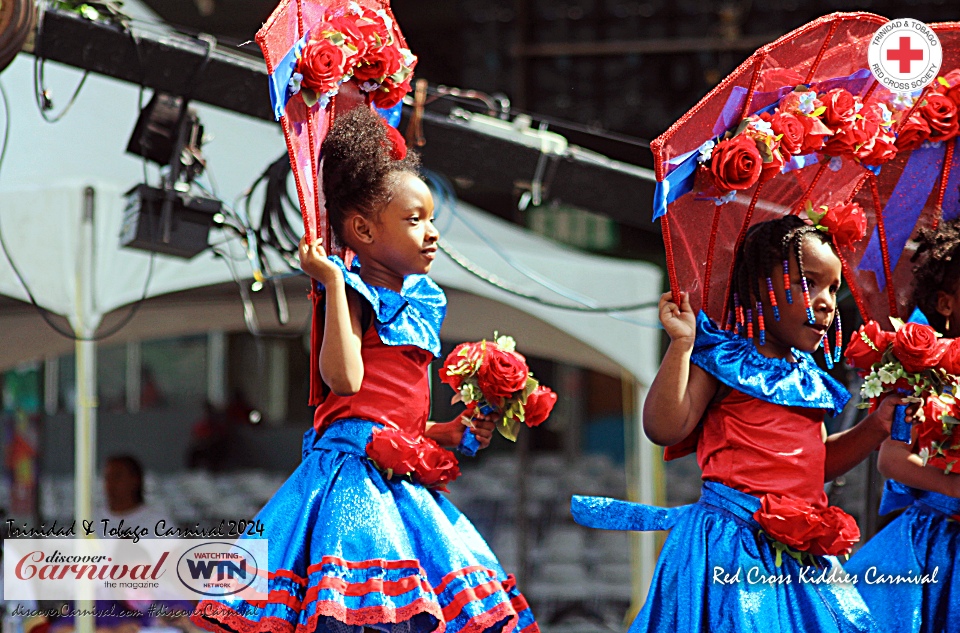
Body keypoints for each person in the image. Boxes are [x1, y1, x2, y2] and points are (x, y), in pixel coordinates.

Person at [191, 106, 537, 633]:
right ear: (362, 230)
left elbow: (403, 421)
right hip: (351, 478)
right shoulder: (348, 293)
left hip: (399, 476)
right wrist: (332, 284)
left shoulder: (424, 300)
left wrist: (452, 431)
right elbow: (347, 383)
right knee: (358, 608)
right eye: (414, 220)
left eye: (431, 219)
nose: (432, 233)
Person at [574, 215, 900, 632]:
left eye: (834, 288)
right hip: (731, 549)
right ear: (760, 286)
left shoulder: (810, 378)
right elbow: (663, 428)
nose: (825, 301)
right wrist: (682, 345)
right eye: (809, 283)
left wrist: (874, 428)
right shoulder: (724, 360)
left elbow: (816, 464)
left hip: (802, 555)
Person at [844, 218, 960, 633]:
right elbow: (891, 461)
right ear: (946, 304)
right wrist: (954, 489)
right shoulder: (924, 373)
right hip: (937, 547)